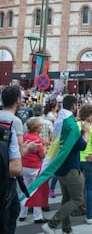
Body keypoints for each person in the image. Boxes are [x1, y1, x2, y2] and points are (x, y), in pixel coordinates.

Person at [42, 95, 90, 234]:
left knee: (66, 198)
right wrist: (85, 133)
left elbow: (70, 141)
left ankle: (67, 229)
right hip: (71, 168)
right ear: (74, 106)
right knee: (77, 199)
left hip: (61, 167)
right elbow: (81, 145)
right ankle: (52, 224)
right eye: (78, 106)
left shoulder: (60, 121)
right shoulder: (71, 123)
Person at [0, 85, 40, 234]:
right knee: (10, 214)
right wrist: (29, 148)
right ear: (18, 100)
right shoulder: (15, 121)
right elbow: (17, 152)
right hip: (8, 177)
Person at [18, 117, 47, 224]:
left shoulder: (25, 136)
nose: (41, 127)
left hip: (24, 166)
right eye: (40, 126)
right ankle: (37, 216)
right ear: (36, 127)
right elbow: (42, 154)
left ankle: (22, 213)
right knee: (36, 191)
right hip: (35, 167)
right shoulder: (37, 139)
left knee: (25, 189)